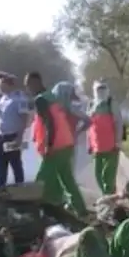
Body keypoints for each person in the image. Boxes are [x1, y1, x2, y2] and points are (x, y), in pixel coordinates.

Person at [26, 72, 87, 215]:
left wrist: (49, 144)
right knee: (67, 180)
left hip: (56, 145)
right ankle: (81, 210)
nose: (28, 89)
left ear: (35, 83)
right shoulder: (52, 97)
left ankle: (36, 213)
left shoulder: (41, 99)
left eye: (28, 85)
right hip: (66, 143)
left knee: (42, 180)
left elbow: (49, 123)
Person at [0, 73, 30, 187]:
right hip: (1, 137)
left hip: (12, 137)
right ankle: (1, 189)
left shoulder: (19, 99)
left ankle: (20, 190)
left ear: (9, 85)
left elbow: (24, 119)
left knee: (15, 164)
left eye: (1, 84)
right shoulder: (3, 99)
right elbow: (0, 118)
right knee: (0, 165)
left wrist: (20, 137)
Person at [87, 80, 124, 195]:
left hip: (111, 145)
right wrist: (89, 144)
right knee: (98, 174)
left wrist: (118, 142)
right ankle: (106, 196)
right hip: (97, 146)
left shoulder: (111, 103)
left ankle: (110, 198)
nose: (101, 91)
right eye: (99, 89)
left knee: (108, 175)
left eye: (103, 89)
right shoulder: (91, 104)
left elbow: (119, 123)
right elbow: (89, 126)